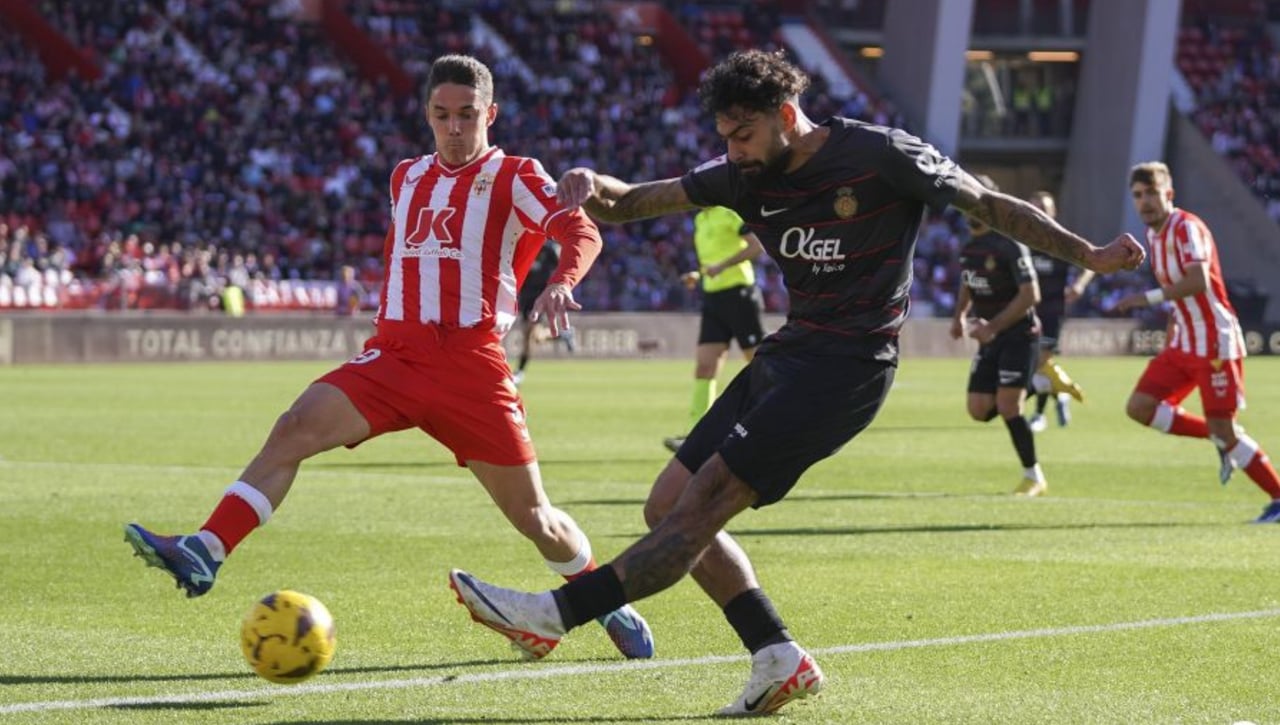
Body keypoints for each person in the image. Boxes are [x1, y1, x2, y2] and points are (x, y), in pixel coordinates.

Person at [446, 50, 1143, 716]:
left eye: (743, 134)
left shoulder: (880, 154)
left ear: (786, 112)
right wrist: (589, 182)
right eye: (725, 136)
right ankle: (777, 654)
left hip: (848, 370)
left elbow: (988, 204)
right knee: (666, 506)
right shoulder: (744, 174)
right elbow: (634, 203)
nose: (735, 149)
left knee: (700, 509)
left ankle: (554, 614)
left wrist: (1089, 253)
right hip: (787, 354)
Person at [122, 55, 654, 660]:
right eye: (441, 115)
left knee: (535, 517)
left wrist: (562, 281)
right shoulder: (406, 176)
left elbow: (583, 232)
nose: (454, 128)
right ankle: (205, 550)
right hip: (395, 355)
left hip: (470, 367)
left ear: (492, 114)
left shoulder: (517, 175)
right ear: (427, 115)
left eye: (467, 115)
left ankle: (604, 598)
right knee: (294, 428)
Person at [1116, 161, 1280, 520]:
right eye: (1138, 196)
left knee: (1225, 429)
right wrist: (1173, 331)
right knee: (1140, 407)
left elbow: (1197, 282)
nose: (1145, 202)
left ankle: (1277, 495)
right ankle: (1220, 436)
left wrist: (1147, 298)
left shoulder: (1186, 227)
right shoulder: (1153, 237)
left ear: (1169, 194)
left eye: (1152, 194)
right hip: (1184, 344)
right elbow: (1182, 297)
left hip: (1215, 344)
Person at [950, 175, 1047, 496]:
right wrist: (959, 316)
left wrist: (993, 326)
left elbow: (1031, 294)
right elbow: (968, 282)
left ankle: (1033, 476)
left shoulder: (1009, 244)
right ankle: (1042, 383)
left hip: (1019, 333)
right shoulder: (969, 247)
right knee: (978, 410)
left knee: (1009, 406)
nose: (970, 209)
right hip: (990, 336)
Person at [664, 206, 767, 453]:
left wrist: (722, 266)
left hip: (740, 294)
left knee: (759, 364)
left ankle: (768, 424)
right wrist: (699, 275)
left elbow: (756, 246)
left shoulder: (730, 212)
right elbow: (714, 259)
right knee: (705, 366)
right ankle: (697, 435)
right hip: (713, 299)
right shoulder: (700, 219)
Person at [1023, 190, 1091, 432]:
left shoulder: (1061, 241)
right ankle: (1060, 393)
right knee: (1033, 364)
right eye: (1034, 206)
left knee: (1040, 361)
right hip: (1023, 311)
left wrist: (1079, 285)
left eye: (1043, 207)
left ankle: (1039, 415)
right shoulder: (1021, 239)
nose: (1038, 211)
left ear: (1053, 213)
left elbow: (1089, 261)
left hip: (1051, 312)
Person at [512, 240, 576, 386]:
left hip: (540, 296)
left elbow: (564, 265)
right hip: (525, 294)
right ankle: (562, 335)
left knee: (529, 333)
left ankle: (520, 372)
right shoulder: (524, 245)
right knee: (534, 336)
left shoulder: (550, 250)